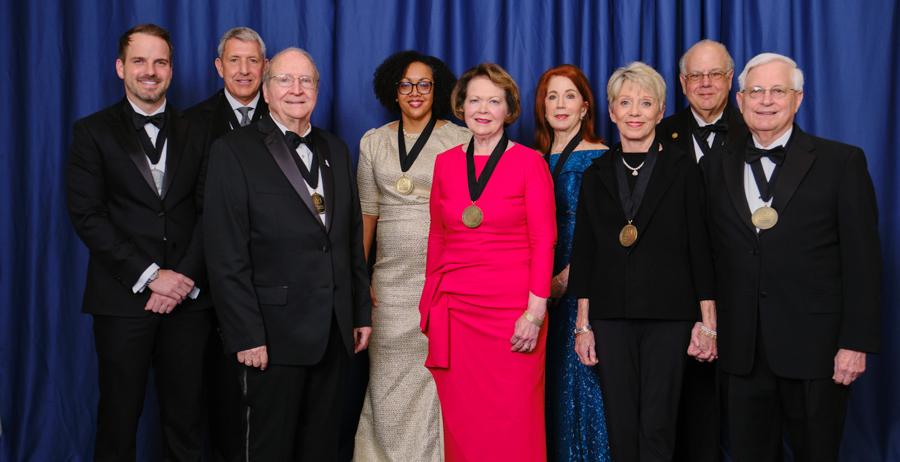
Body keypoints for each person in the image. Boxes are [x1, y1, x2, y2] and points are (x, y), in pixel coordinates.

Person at [703, 52, 881, 462]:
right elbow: (709, 251)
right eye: (756, 91)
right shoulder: (715, 165)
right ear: (741, 100)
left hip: (816, 350)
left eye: (778, 91)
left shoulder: (842, 161)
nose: (766, 101)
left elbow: (864, 263)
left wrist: (855, 342)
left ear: (798, 99)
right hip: (741, 349)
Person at [203, 47, 372, 461]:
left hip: (334, 330)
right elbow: (226, 252)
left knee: (322, 445)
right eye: (284, 80)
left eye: (306, 81)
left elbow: (349, 238)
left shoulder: (336, 148)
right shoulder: (234, 150)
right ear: (265, 88)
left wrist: (359, 313)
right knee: (270, 446)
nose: (297, 89)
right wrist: (246, 333)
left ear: (317, 89)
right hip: (271, 335)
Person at [66, 24, 211, 461]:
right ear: (120, 68)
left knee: (186, 422)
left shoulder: (199, 131)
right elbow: (87, 216)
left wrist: (181, 276)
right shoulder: (92, 131)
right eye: (140, 61)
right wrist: (151, 276)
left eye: (160, 61)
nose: (150, 71)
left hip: (189, 301)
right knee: (118, 419)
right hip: (122, 298)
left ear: (171, 69)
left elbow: (211, 212)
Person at [568, 61, 716, 462]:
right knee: (621, 421)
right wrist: (583, 325)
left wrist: (708, 322)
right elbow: (584, 252)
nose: (635, 111)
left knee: (658, 423)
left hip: (670, 315)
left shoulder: (683, 169)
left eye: (645, 102)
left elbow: (699, 247)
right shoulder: (595, 173)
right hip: (611, 315)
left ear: (661, 109)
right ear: (612, 112)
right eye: (625, 102)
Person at [419, 63, 556, 461]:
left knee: (515, 421)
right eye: (475, 100)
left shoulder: (529, 162)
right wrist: (429, 302)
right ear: (461, 106)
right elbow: (438, 235)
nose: (483, 109)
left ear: (509, 109)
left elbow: (544, 239)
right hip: (455, 311)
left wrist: (534, 313)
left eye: (494, 101)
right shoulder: (445, 163)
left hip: (513, 315)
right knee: (462, 425)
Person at [354, 50, 470, 461]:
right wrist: (359, 280)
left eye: (424, 84)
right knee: (386, 380)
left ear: (437, 90)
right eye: (406, 84)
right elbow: (368, 215)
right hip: (388, 284)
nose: (415, 92)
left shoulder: (459, 138)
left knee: (435, 382)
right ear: (393, 90)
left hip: (444, 280)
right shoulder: (373, 141)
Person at [656, 39, 744, 462]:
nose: (705, 84)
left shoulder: (759, 128)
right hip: (679, 292)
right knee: (687, 408)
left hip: (747, 288)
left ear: (730, 79)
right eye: (695, 75)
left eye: (714, 75)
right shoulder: (658, 134)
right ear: (681, 82)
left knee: (749, 411)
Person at [184, 26, 268, 462]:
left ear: (265, 67)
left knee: (267, 403)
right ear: (219, 67)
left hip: (274, 282)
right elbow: (188, 207)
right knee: (213, 398)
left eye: (252, 60)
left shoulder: (286, 116)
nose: (244, 69)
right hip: (210, 285)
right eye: (234, 60)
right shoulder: (193, 123)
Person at [533, 64, 611, 462]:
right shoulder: (530, 159)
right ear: (541, 107)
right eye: (551, 96)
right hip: (535, 293)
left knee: (581, 389)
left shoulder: (601, 159)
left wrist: (565, 281)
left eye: (569, 95)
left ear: (585, 106)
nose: (560, 104)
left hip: (581, 289)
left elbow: (605, 236)